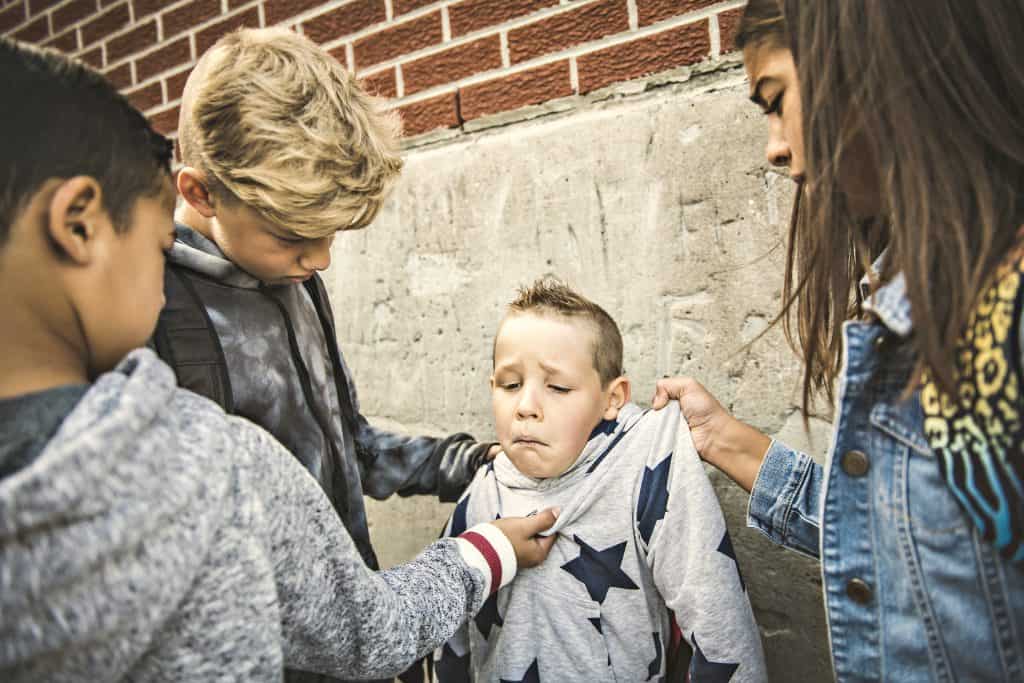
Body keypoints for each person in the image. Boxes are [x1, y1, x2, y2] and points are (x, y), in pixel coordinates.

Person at [0, 37, 558, 682]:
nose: (319, 259)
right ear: (203, 194)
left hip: (360, 611)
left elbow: (349, 442)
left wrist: (463, 463)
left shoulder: (298, 283)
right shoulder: (131, 312)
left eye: (331, 237)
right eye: (295, 235)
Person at [654, 0, 1024, 680]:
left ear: (877, 65)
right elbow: (915, 544)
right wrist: (723, 440)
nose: (774, 145)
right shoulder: (933, 295)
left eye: (776, 99)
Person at [434, 279, 766, 682]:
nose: (525, 407)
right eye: (510, 385)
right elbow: (447, 641)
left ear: (613, 398)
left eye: (557, 387)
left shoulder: (646, 466)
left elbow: (719, 622)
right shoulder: (480, 494)